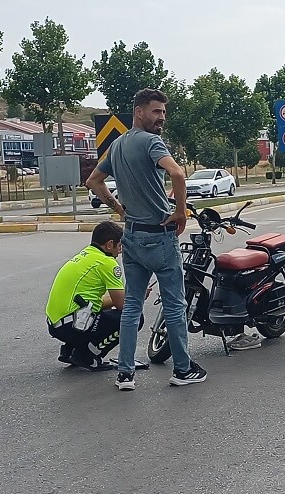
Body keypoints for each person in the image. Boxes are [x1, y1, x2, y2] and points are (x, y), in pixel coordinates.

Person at [86, 88, 207, 390]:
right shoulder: (152, 142)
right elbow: (177, 174)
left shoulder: (117, 145)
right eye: (156, 111)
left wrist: (119, 209)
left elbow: (93, 181)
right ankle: (182, 369)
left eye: (163, 112)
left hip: (132, 236)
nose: (161, 118)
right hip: (159, 237)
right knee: (175, 306)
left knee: (131, 306)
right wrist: (180, 212)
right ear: (138, 112)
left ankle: (125, 373)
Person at [45, 221, 148, 371]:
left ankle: (70, 350)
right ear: (109, 244)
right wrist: (138, 296)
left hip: (58, 325)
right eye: (120, 245)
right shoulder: (107, 263)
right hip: (72, 326)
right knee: (135, 317)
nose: (121, 250)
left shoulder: (87, 254)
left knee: (101, 312)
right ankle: (87, 355)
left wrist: (125, 296)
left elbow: (96, 303)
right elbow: (122, 305)